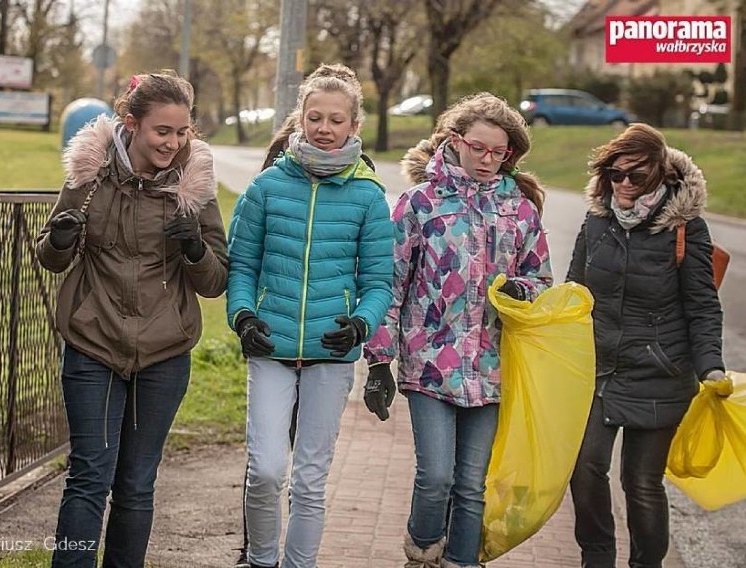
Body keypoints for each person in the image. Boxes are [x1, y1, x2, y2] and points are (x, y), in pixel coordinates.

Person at [36, 70, 228, 568]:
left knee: (137, 483)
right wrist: (58, 239)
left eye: (182, 131)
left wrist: (193, 248)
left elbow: (214, 281)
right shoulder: (90, 172)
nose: (173, 142)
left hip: (164, 351)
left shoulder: (195, 185)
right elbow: (52, 257)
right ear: (132, 123)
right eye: (162, 131)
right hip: (93, 341)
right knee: (88, 476)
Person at [362, 92, 553, 568]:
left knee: (472, 483)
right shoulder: (419, 204)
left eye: (499, 152)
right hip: (429, 362)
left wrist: (520, 291)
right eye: (479, 148)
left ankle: (461, 561)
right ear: (454, 141)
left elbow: (541, 279)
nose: (488, 160)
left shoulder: (520, 210)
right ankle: (421, 553)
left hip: (492, 367)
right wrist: (379, 361)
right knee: (436, 478)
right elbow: (390, 282)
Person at [226, 63, 394, 568]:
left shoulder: (368, 195)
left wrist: (362, 322)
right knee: (268, 470)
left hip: (330, 350)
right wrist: (243, 316)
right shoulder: (266, 189)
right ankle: (260, 560)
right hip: (271, 345)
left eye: (336, 120)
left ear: (353, 127)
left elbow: (379, 281)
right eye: (315, 116)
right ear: (300, 119)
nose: (325, 127)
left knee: (310, 478)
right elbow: (242, 266)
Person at [566, 123, 725, 568]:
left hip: (661, 372)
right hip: (599, 369)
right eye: (616, 175)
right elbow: (575, 290)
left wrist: (710, 365)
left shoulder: (685, 228)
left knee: (640, 482)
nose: (624, 185)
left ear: (660, 175)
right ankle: (596, 557)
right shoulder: (597, 220)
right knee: (584, 469)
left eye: (637, 177)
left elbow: (702, 305)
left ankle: (646, 564)